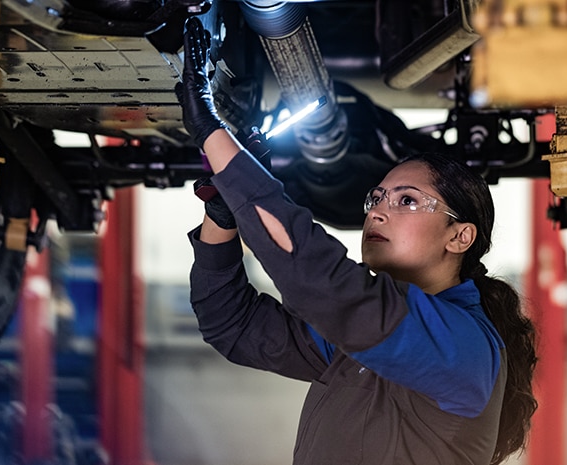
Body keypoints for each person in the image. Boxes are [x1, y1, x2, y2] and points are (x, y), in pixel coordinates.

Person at [176, 16, 537, 465]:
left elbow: (319, 283)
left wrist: (214, 134)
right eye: (378, 197)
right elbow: (231, 324)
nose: (378, 210)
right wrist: (222, 214)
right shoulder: (361, 336)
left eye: (407, 200)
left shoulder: (463, 347)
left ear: (460, 236)